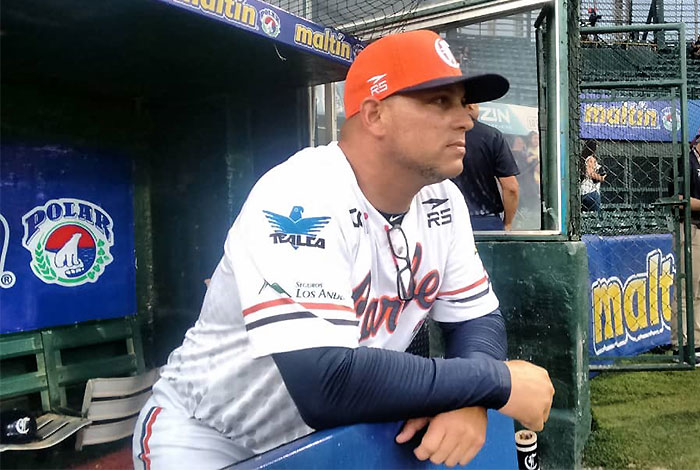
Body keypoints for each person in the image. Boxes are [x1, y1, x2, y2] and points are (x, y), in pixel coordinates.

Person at [132, 30, 555, 469]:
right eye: (439, 101)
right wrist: (493, 381)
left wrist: (470, 400)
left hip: (327, 435)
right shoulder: (301, 193)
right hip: (210, 433)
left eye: (463, 102)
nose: (465, 119)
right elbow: (325, 381)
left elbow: (474, 318)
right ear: (374, 115)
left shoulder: (443, 200)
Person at [452, 103, 520, 230]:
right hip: (486, 222)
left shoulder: (438, 135)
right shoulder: (492, 136)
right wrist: (508, 223)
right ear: (471, 106)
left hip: (446, 219)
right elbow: (511, 187)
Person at [670, 131, 700, 362]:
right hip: (689, 228)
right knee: (686, 288)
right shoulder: (685, 162)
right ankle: (682, 345)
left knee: (698, 291)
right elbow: (678, 198)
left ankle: (696, 342)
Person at [580, 139, 605, 213]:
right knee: (595, 215)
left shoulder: (582, 158)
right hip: (591, 192)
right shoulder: (590, 159)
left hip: (582, 192)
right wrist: (601, 178)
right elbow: (590, 173)